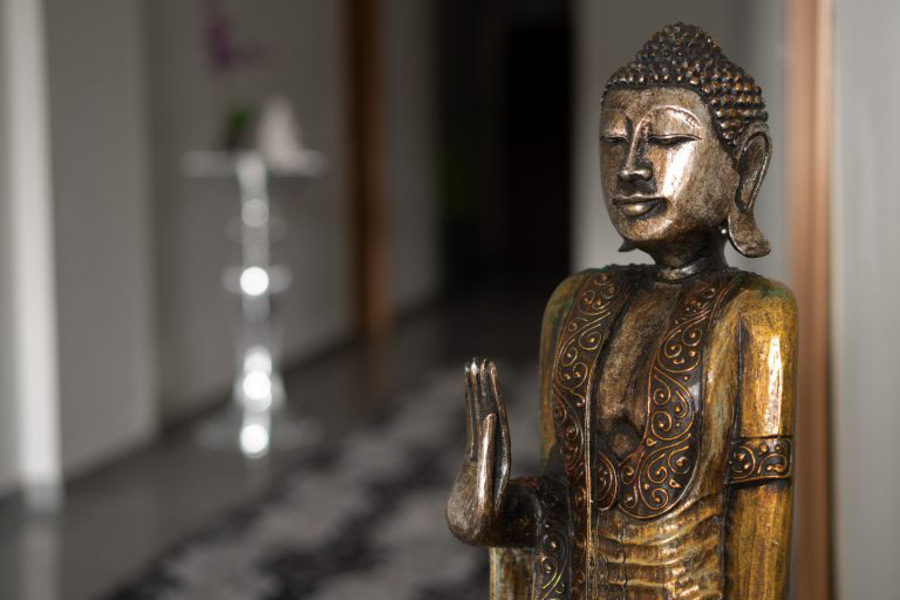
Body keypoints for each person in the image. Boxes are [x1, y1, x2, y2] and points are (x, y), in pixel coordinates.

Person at [447, 23, 796, 600]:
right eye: (614, 141)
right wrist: (491, 511)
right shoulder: (573, 303)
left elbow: (761, 521)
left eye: (666, 139)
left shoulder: (756, 315)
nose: (632, 167)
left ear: (747, 164)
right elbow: (562, 508)